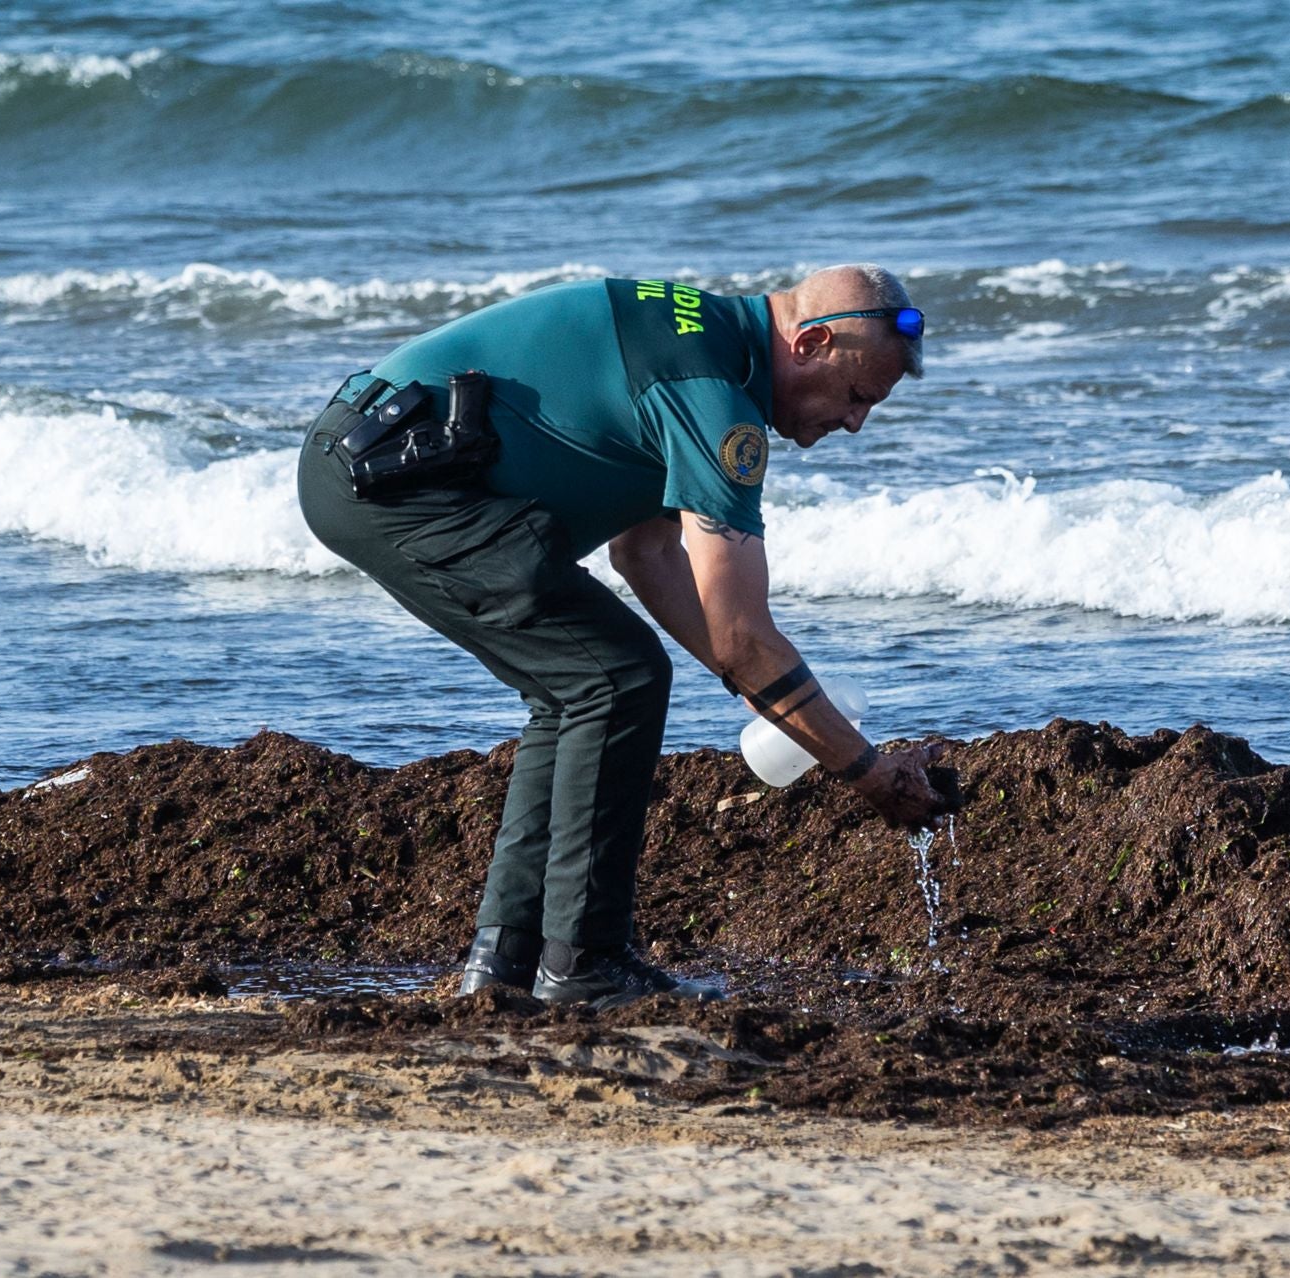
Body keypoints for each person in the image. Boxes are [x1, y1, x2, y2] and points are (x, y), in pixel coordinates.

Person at [296, 265, 956, 1009]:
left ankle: (507, 960)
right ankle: (584, 959)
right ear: (810, 342)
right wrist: (867, 772)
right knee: (613, 678)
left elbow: (647, 554)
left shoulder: (705, 342)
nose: (857, 421)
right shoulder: (717, 403)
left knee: (588, 684)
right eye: (859, 395)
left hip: (368, 454)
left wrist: (768, 696)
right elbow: (742, 638)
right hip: (395, 479)